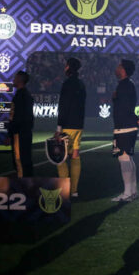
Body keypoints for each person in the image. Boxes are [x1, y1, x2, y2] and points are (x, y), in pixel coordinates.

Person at [55, 57, 86, 198]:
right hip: (79, 125)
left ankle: (64, 190)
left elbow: (63, 107)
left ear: (68, 67)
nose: (64, 68)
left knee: (60, 157)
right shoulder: (81, 84)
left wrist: (59, 128)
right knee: (75, 155)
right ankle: (74, 191)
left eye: (65, 65)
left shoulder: (67, 84)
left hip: (67, 125)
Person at [111, 59, 139, 202]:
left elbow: (126, 107)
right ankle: (132, 191)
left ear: (123, 70)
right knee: (128, 158)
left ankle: (127, 193)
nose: (116, 68)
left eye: (119, 66)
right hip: (127, 126)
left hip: (125, 127)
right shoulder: (128, 85)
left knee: (124, 158)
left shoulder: (124, 85)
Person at [6, 71, 34, 178]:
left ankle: (23, 186)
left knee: (19, 160)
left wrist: (10, 134)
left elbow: (16, 118)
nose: (13, 80)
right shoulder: (27, 95)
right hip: (26, 133)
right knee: (26, 160)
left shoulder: (19, 96)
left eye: (15, 78)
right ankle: (29, 184)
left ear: (19, 80)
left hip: (19, 134)